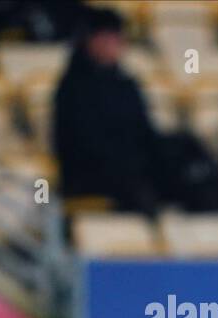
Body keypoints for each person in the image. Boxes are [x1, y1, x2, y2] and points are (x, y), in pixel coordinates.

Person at [52, 6, 162, 212]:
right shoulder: (72, 87)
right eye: (108, 39)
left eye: (118, 39)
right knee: (137, 187)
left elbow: (145, 131)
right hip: (88, 174)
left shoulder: (127, 83)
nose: (115, 46)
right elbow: (77, 142)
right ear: (91, 40)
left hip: (130, 169)